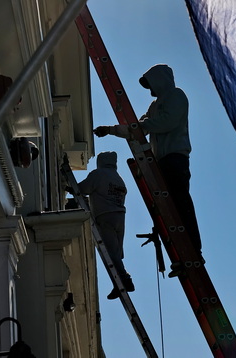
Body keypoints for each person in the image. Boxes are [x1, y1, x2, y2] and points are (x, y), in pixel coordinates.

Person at [94, 64, 202, 278]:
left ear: (159, 80)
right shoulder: (154, 105)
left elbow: (165, 122)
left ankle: (194, 252)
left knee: (180, 204)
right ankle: (181, 258)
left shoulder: (177, 96)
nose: (150, 90)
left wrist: (141, 126)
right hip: (160, 162)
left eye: (151, 84)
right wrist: (111, 130)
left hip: (175, 158)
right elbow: (138, 128)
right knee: (167, 210)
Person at [76, 151, 134, 299]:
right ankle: (118, 283)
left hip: (105, 216)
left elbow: (83, 189)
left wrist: (71, 187)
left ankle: (125, 279)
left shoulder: (99, 174)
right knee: (117, 251)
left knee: (110, 252)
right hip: (120, 217)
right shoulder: (118, 178)